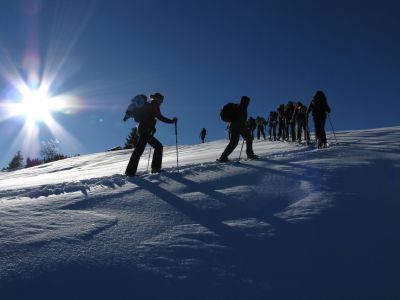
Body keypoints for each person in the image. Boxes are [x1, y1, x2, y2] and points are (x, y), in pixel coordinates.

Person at [124, 92, 177, 176]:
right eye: (161, 100)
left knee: (138, 151)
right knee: (158, 147)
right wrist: (172, 121)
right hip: (145, 131)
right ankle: (155, 169)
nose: (161, 102)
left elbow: (148, 118)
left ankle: (130, 172)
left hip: (143, 130)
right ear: (157, 99)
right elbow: (160, 117)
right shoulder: (154, 105)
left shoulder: (148, 105)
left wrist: (152, 128)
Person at [217, 96, 258, 162]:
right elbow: (242, 119)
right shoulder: (243, 108)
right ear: (246, 102)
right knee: (248, 138)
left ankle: (223, 157)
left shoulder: (236, 106)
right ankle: (250, 154)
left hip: (232, 126)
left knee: (234, 142)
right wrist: (246, 125)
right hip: (239, 126)